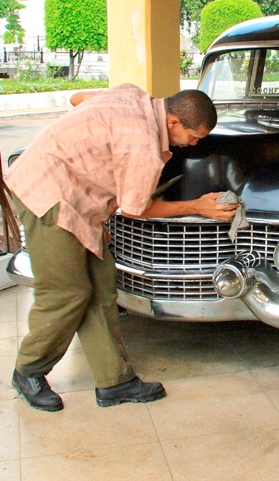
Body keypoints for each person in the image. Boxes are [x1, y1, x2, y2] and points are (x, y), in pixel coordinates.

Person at [6, 84, 237, 412]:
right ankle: (28, 370)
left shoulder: (133, 95)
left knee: (101, 285)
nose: (195, 144)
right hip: (47, 193)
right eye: (194, 136)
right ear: (173, 122)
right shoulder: (142, 142)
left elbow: (77, 99)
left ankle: (114, 381)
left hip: (76, 197)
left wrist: (88, 143)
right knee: (66, 292)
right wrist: (198, 207)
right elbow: (135, 208)